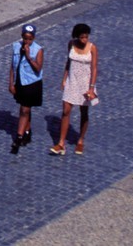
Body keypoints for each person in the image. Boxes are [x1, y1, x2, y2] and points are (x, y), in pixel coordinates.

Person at [50, 23, 99, 155]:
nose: (85, 40)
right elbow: (68, 62)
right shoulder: (71, 44)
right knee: (66, 110)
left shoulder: (92, 48)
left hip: (85, 83)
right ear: (77, 36)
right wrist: (64, 78)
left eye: (86, 37)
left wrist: (92, 88)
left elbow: (94, 68)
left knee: (84, 111)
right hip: (72, 81)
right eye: (82, 37)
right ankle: (61, 143)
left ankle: (81, 140)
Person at [8, 23, 44, 154]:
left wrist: (28, 57)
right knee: (25, 109)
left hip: (32, 83)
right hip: (20, 82)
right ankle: (27, 132)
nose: (27, 41)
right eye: (25, 38)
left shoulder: (38, 50)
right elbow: (13, 66)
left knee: (24, 109)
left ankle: (18, 137)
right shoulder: (16, 47)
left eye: (30, 38)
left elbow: (38, 68)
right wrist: (11, 83)